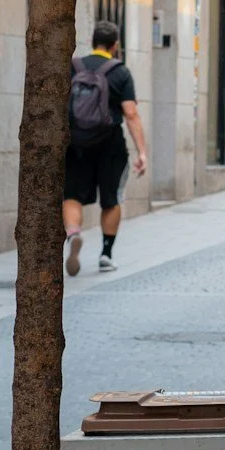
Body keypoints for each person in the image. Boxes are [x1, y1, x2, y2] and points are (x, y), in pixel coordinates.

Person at [63, 18, 148, 277]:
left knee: (72, 195)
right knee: (111, 199)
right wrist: (142, 151)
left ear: (92, 42)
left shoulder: (74, 67)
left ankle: (74, 233)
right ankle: (106, 254)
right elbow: (131, 113)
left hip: (76, 144)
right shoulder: (120, 72)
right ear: (115, 45)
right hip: (110, 144)